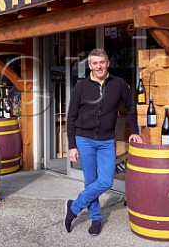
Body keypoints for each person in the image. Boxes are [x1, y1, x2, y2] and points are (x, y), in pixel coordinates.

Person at [64, 48, 143, 236]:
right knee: (90, 180)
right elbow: (71, 116)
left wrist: (135, 132)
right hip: (84, 140)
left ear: (107, 63)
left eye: (102, 62)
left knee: (106, 181)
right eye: (94, 63)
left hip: (107, 140)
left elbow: (131, 108)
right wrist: (72, 145)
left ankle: (73, 207)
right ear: (90, 65)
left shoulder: (119, 84)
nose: (99, 66)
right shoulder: (81, 87)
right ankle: (96, 219)